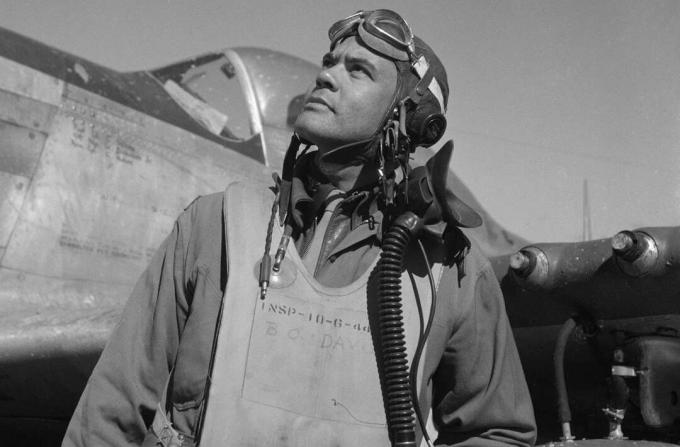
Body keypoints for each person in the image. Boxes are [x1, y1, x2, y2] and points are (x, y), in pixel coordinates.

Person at [62, 9, 536, 447]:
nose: (325, 75)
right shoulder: (212, 225)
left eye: (358, 70)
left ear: (410, 117)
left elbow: (499, 430)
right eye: (331, 62)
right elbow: (110, 411)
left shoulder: (452, 267)